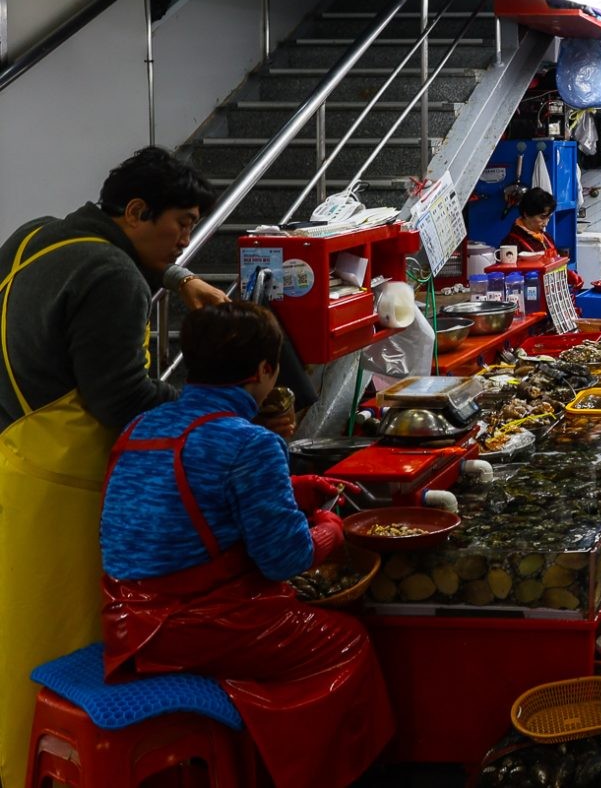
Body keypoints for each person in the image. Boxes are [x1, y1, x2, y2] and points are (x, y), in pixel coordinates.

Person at [0, 147, 225, 785]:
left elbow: (100, 264)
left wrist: (179, 278)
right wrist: (215, 408)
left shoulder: (35, 235)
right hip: (63, 484)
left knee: (12, 628)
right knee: (61, 645)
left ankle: (16, 757)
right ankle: (50, 767)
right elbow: (121, 398)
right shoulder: (114, 278)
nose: (185, 237)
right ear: (134, 211)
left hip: (15, 457)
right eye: (180, 223)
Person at [100, 302, 393, 788]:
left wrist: (293, 492)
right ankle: (320, 774)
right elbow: (285, 559)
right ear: (264, 370)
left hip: (126, 622)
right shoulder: (249, 442)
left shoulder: (142, 426)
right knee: (347, 640)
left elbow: (190, 505)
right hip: (197, 627)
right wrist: (330, 529)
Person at [503, 187, 560, 257]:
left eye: (549, 218)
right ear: (526, 214)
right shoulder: (511, 243)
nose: (546, 223)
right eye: (542, 217)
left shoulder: (546, 237)